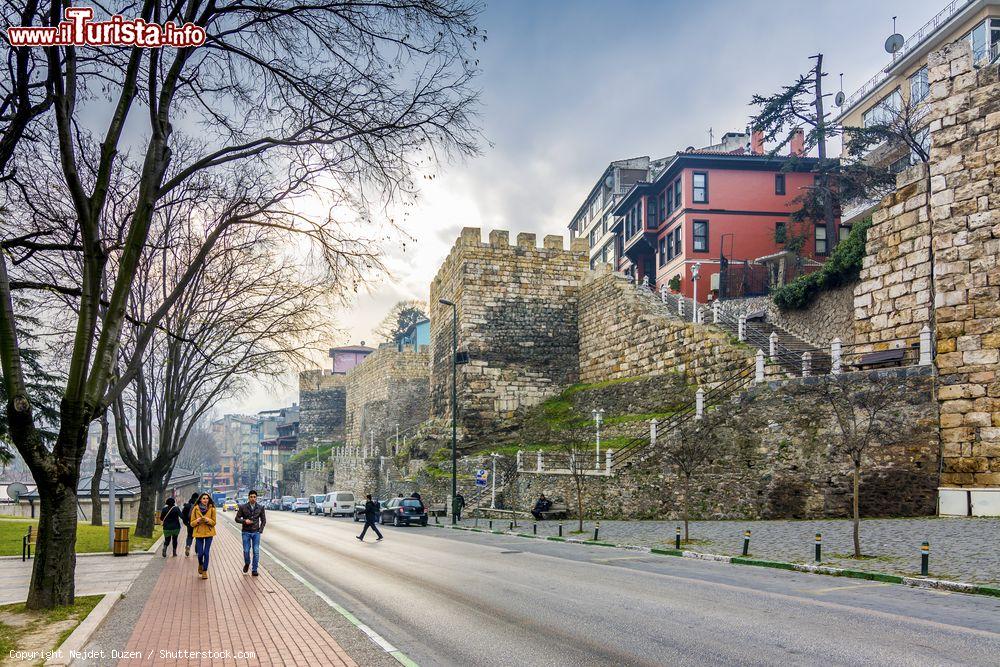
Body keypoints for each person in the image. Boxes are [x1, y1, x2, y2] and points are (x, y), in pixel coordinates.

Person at [235, 489, 266, 576]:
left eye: (254, 497)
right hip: (246, 532)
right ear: (248, 498)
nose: (253, 498)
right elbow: (237, 519)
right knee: (246, 550)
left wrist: (260, 530)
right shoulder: (243, 507)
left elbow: (263, 521)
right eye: (251, 497)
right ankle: (247, 563)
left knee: (256, 551)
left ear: (256, 498)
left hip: (256, 532)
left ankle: (254, 569)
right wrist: (245, 521)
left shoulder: (260, 508)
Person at [190, 493, 217, 579]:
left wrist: (208, 520)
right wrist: (197, 521)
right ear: (200, 500)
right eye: (203, 498)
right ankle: (200, 564)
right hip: (198, 533)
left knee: (206, 552)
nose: (205, 500)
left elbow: (214, 522)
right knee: (200, 553)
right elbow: (191, 523)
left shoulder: (212, 509)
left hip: (209, 533)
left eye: (207, 498)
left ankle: (205, 571)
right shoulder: (195, 509)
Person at [180, 492, 198, 557]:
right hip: (197, 524)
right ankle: (197, 550)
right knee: (198, 537)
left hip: (190, 523)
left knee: (189, 536)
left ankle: (188, 546)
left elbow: (182, 515)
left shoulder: (187, 505)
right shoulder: (198, 505)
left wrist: (186, 523)